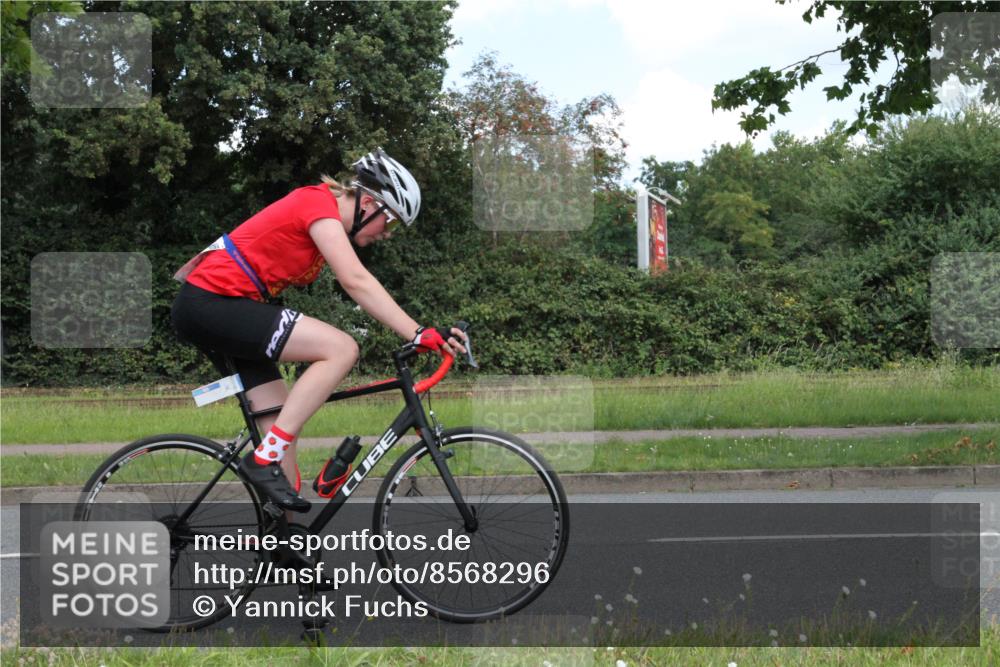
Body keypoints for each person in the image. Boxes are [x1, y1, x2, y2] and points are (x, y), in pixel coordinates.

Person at [170, 148, 467, 512]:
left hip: (226, 306)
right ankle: (263, 461)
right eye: (389, 224)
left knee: (283, 439)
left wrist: (418, 332)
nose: (387, 235)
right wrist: (417, 332)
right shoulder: (317, 204)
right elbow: (356, 280)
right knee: (341, 349)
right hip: (212, 302)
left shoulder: (325, 223)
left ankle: (285, 551)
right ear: (369, 203)